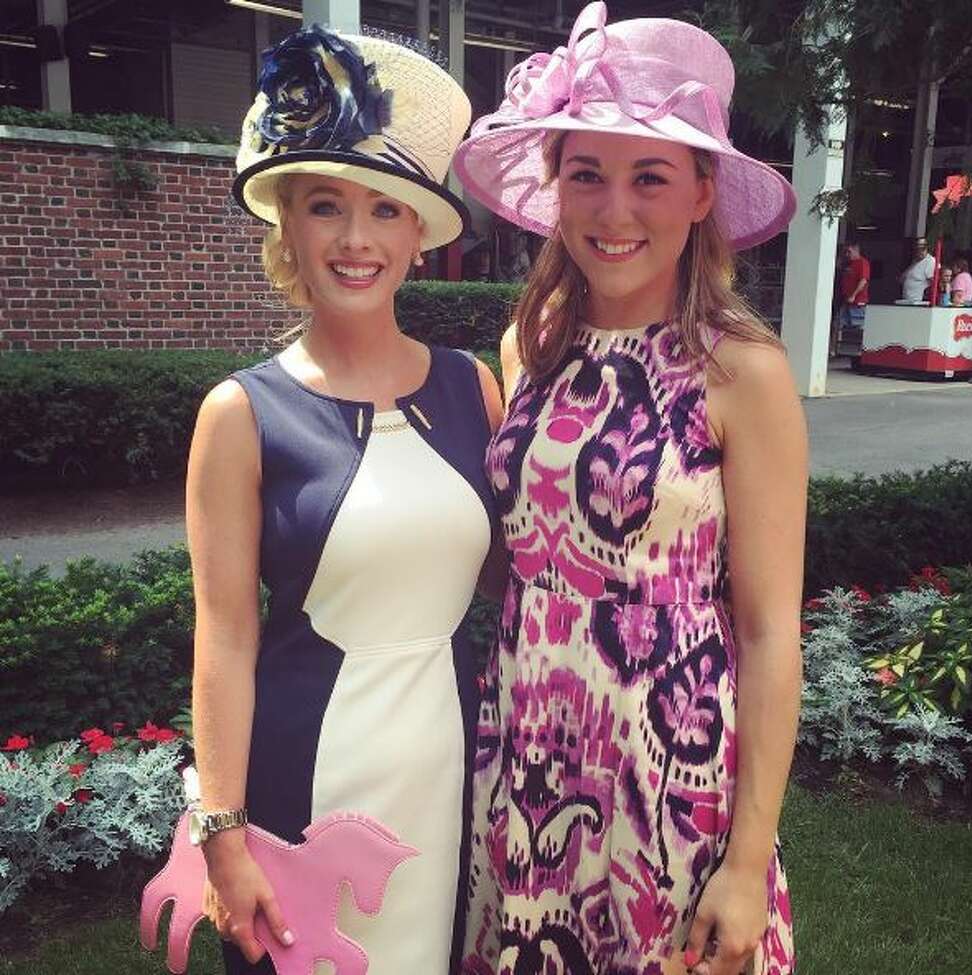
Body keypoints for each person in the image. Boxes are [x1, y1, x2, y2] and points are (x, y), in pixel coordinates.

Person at [454, 4, 805, 974]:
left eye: (649, 177)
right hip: (525, 756)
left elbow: (773, 632)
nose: (614, 213)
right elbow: (513, 559)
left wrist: (745, 860)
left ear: (700, 193)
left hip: (667, 770)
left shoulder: (742, 371)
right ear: (555, 188)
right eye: (588, 176)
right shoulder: (527, 348)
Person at [186, 24, 502, 975]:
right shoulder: (241, 412)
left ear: (418, 234)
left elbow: (509, 580)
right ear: (289, 224)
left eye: (385, 210)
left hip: (451, 760)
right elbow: (224, 636)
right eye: (326, 206)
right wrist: (223, 832)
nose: (357, 239)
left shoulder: (472, 386)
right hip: (304, 770)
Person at [834, 240, 870, 355]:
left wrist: (854, 295)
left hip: (857, 301)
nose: (847, 254)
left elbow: (863, 280)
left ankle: (859, 352)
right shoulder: (848, 264)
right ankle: (840, 349)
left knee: (857, 326)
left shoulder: (863, 263)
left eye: (849, 252)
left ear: (856, 250)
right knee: (840, 325)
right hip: (846, 300)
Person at [900, 236, 936, 302]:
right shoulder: (915, 261)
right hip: (907, 300)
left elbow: (933, 282)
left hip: (918, 302)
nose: (919, 250)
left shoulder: (930, 261)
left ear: (927, 247)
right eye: (917, 248)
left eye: (922, 248)